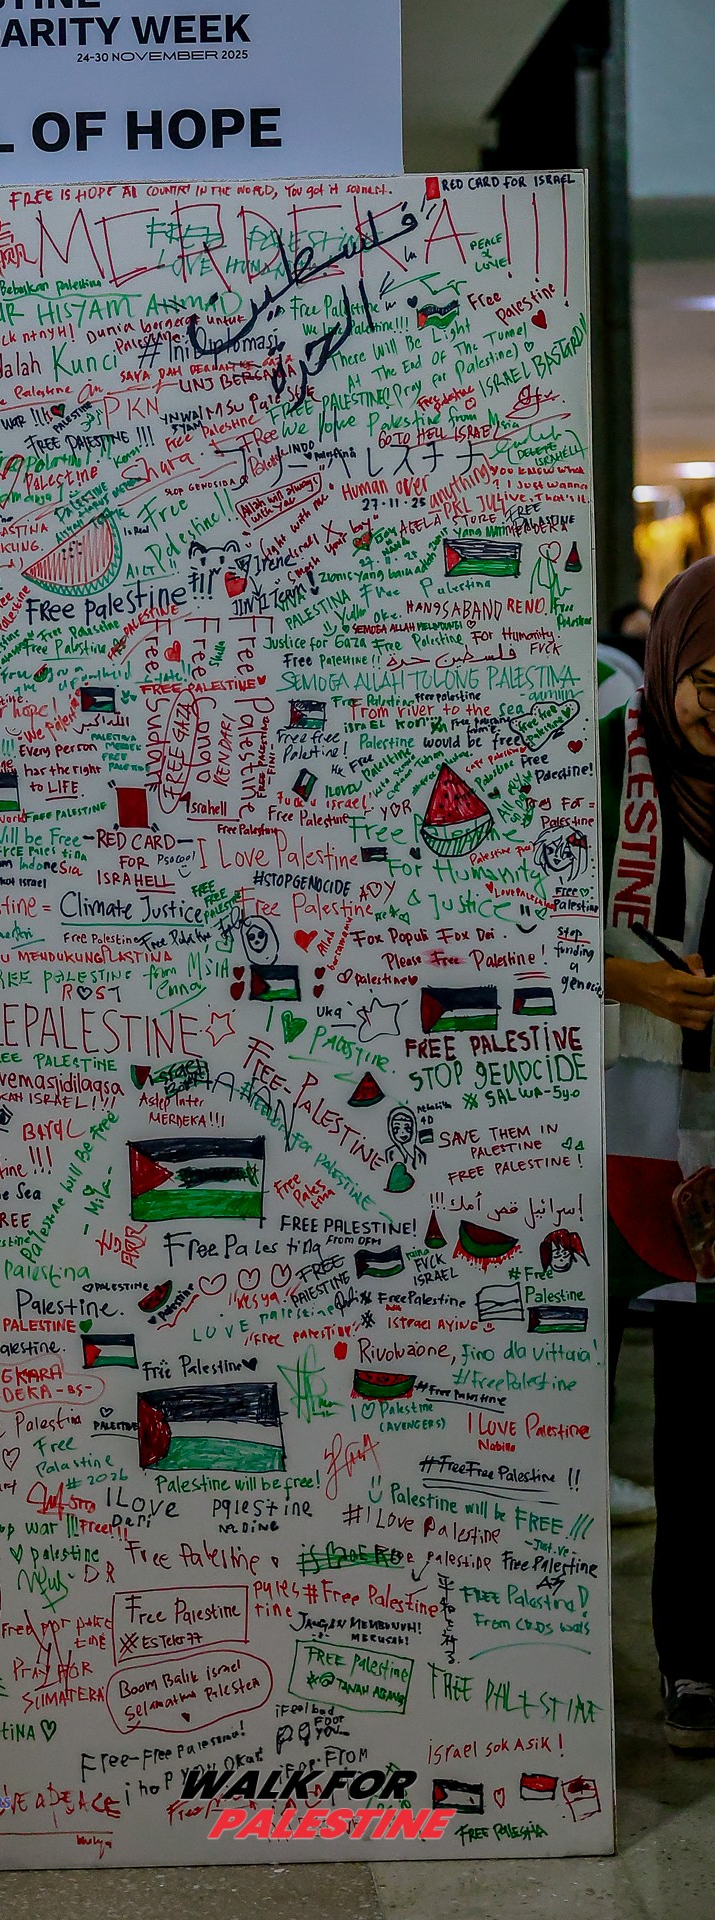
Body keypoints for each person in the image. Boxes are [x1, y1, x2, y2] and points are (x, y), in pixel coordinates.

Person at [602, 555, 715, 1752]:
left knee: (700, 1411)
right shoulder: (598, 760)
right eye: (707, 682)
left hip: (704, 1141)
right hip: (588, 1139)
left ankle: (696, 1663)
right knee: (589, 1407)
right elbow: (497, 926)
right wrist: (626, 981)